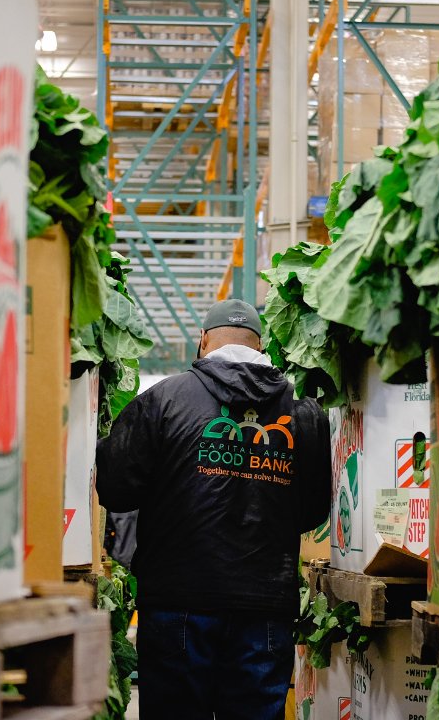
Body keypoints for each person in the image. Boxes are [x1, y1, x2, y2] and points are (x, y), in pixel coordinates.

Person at [96, 299, 332, 719]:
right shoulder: (304, 414)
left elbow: (116, 489)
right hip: (265, 609)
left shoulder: (162, 401)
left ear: (203, 341)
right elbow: (314, 512)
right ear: (262, 347)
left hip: (178, 604)